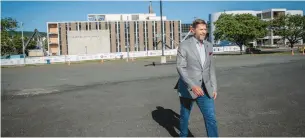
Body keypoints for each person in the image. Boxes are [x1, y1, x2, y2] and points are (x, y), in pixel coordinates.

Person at [175, 19, 218, 137]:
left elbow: (211, 68)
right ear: (192, 30)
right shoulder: (184, 45)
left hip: (205, 88)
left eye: (205, 29)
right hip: (188, 89)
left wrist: (214, 87)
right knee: (184, 116)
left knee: (211, 117)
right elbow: (180, 67)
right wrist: (192, 85)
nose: (204, 32)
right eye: (201, 29)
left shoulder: (209, 45)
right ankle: (183, 136)